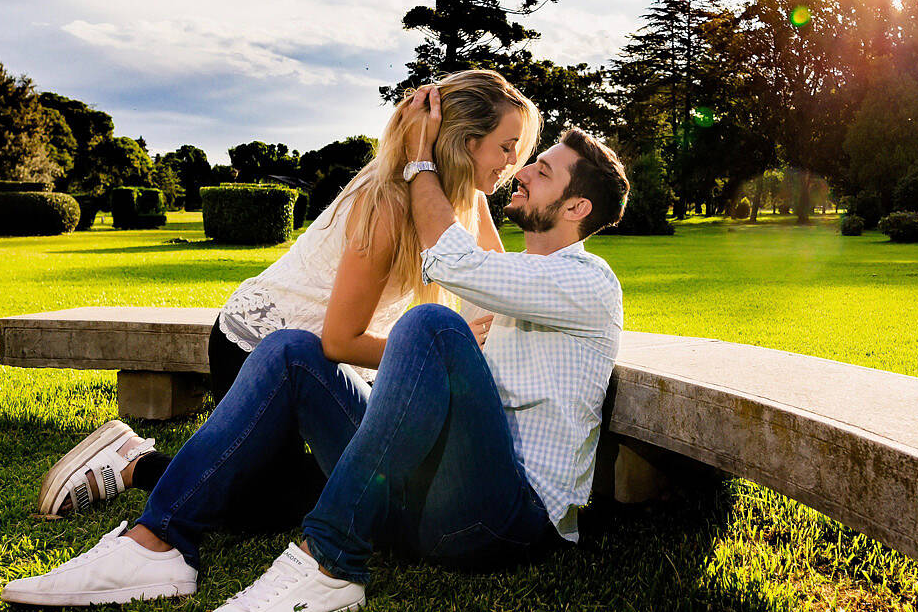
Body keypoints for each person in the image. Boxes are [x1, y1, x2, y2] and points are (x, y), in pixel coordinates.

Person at [1, 87, 631, 612]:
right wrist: (441, 159)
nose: (521, 168)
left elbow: (457, 262)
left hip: (503, 519)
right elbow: (467, 258)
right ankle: (157, 543)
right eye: (518, 155)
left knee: (430, 325)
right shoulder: (512, 276)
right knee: (293, 350)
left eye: (541, 169)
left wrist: (424, 159)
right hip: (429, 506)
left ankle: (329, 563)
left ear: (576, 206)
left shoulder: (587, 282)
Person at [35, 70, 540, 518]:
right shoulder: (386, 202)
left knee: (372, 486)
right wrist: (435, 355)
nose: (514, 163)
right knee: (278, 504)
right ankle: (133, 461)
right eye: (507, 146)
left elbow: (492, 286)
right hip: (260, 350)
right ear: (465, 142)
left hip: (331, 366)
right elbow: (340, 340)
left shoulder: (459, 199)